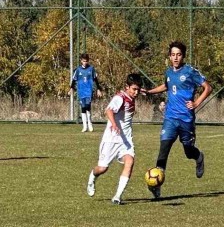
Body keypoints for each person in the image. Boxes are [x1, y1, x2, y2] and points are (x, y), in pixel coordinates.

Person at [143, 41, 212, 199]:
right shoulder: (168, 72)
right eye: (173, 55)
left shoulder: (190, 71)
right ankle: (156, 186)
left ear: (183, 56)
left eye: (178, 55)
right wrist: (149, 92)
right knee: (164, 149)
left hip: (186, 119)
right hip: (170, 118)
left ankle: (199, 157)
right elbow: (166, 86)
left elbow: (208, 87)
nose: (175, 58)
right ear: (169, 56)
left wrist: (196, 103)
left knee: (188, 151)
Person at [86, 73, 143, 205]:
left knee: (130, 161)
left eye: (138, 90)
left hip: (126, 140)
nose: (136, 92)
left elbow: (139, 90)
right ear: (127, 87)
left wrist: (144, 90)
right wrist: (114, 124)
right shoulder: (120, 98)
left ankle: (117, 196)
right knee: (102, 168)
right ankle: (92, 177)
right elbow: (108, 111)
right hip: (112, 139)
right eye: (134, 89)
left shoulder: (132, 95)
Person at [69, 53, 103, 132]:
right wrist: (71, 88)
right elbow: (74, 80)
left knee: (87, 106)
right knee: (83, 107)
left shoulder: (91, 69)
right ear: (81, 61)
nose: (85, 62)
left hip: (89, 91)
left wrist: (98, 89)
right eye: (84, 61)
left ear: (88, 61)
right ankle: (85, 126)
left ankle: (89, 123)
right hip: (81, 91)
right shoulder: (78, 70)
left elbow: (96, 79)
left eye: (86, 61)